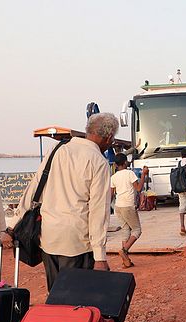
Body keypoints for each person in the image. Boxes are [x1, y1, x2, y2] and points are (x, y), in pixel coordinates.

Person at [19, 113, 117, 290]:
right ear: (108, 138)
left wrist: (14, 224)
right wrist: (100, 256)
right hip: (76, 242)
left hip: (48, 237)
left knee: (55, 294)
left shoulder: (57, 150)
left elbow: (34, 188)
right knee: (76, 301)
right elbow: (98, 211)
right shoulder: (98, 161)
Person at [111, 153, 148, 267]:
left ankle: (125, 260)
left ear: (116, 165)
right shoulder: (130, 173)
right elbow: (138, 188)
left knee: (125, 230)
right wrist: (143, 175)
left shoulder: (113, 177)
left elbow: (111, 195)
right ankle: (124, 250)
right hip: (128, 205)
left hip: (118, 206)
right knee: (137, 230)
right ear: (125, 162)